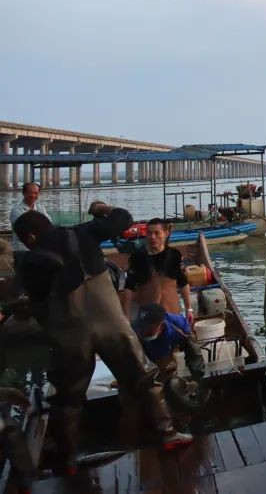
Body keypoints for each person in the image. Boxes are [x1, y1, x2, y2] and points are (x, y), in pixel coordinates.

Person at [12, 202, 191, 473]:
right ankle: (167, 434)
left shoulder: (31, 262)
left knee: (68, 399)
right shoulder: (83, 232)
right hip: (113, 329)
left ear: (31, 237)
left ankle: (68, 460)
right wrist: (102, 208)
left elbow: (39, 310)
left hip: (71, 338)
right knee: (144, 377)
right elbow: (125, 217)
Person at [123, 219, 194, 327]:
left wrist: (189, 308)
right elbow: (128, 288)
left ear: (166, 234)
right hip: (148, 320)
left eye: (157, 233)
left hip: (172, 316)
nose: (152, 237)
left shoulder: (174, 255)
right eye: (149, 233)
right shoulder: (137, 257)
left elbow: (183, 282)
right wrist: (126, 317)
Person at [132, 302, 205, 385]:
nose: (143, 330)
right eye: (142, 326)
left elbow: (193, 351)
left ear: (161, 325)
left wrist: (196, 379)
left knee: (169, 374)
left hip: (164, 347)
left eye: (148, 328)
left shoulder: (179, 325)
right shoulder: (133, 331)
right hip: (145, 355)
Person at [8, 182, 50, 254]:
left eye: (36, 193)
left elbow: (49, 223)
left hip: (39, 248)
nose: (33, 195)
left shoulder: (40, 207)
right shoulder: (16, 210)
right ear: (24, 193)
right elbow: (26, 231)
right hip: (22, 249)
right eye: (30, 193)